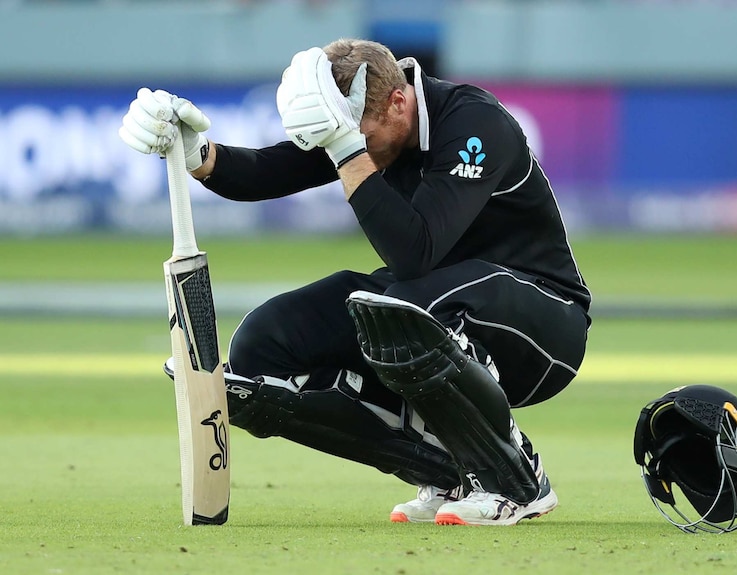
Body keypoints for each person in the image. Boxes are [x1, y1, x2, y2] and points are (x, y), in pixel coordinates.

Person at [119, 38, 591, 526]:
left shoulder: (476, 124)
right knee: (265, 344)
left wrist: (347, 148)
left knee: (403, 308)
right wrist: (196, 152)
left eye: (359, 139)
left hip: (545, 324)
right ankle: (450, 469)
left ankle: (514, 479)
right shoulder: (367, 122)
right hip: (432, 302)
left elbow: (414, 252)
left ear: (399, 102)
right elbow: (267, 171)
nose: (351, 151)